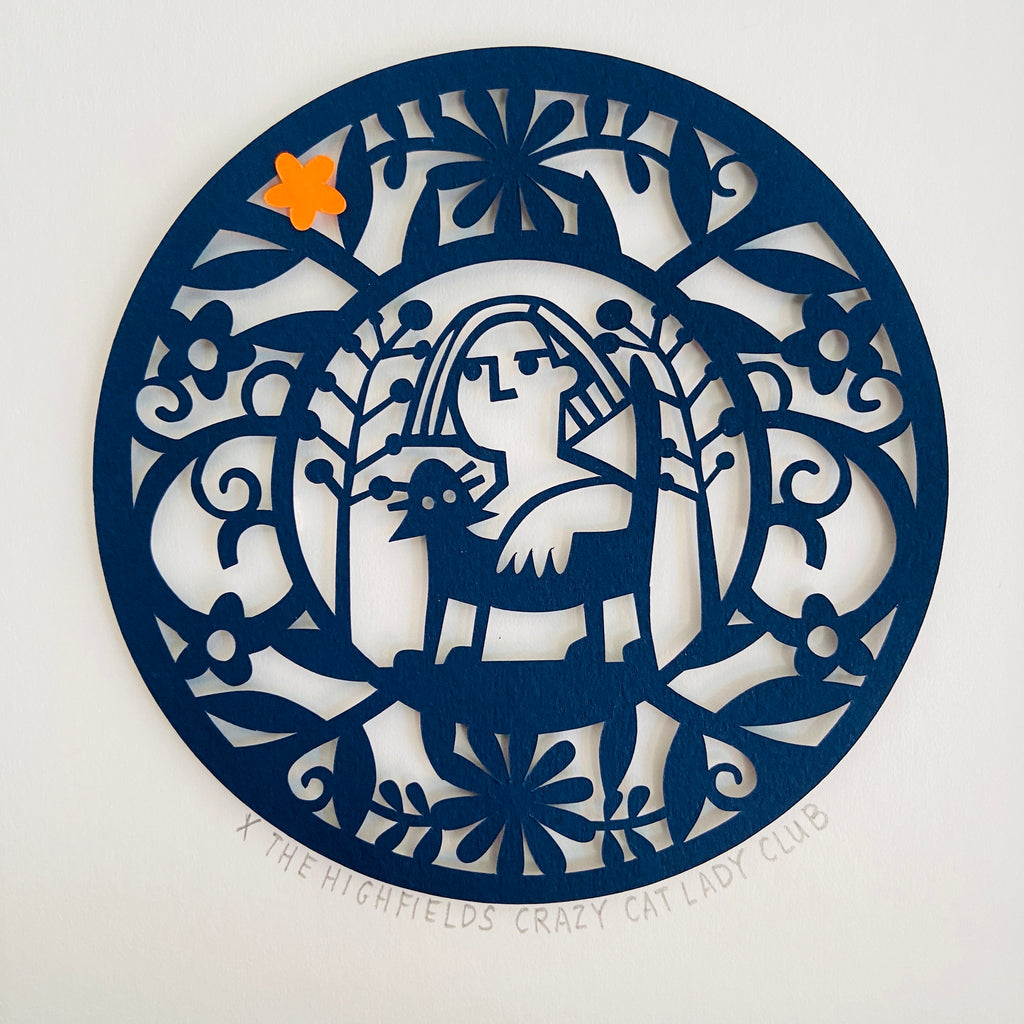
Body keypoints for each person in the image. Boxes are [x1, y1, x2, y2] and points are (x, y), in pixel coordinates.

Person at [382, 298, 659, 666]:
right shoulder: (483, 504)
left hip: (586, 602)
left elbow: (623, 508)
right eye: (474, 373)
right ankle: (451, 660)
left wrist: (551, 514)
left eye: (527, 365)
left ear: (563, 379)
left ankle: (618, 650)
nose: (498, 387)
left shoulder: (598, 492)